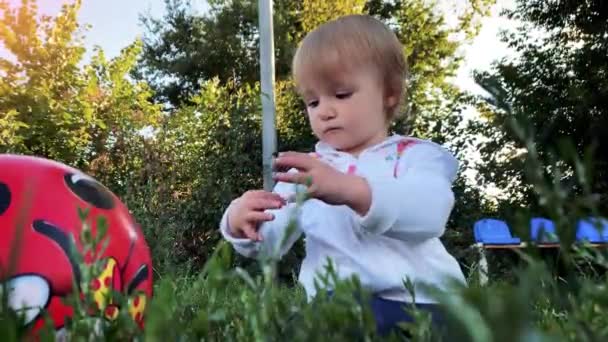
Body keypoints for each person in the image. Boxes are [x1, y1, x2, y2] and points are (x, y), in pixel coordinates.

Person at [219, 14, 466, 336]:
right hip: (337, 306)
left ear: (389, 92)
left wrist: (351, 190)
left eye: (342, 94)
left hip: (425, 303)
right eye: (313, 101)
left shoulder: (414, 155)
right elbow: (271, 244)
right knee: (293, 328)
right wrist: (241, 223)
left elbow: (431, 212)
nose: (324, 110)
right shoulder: (306, 170)